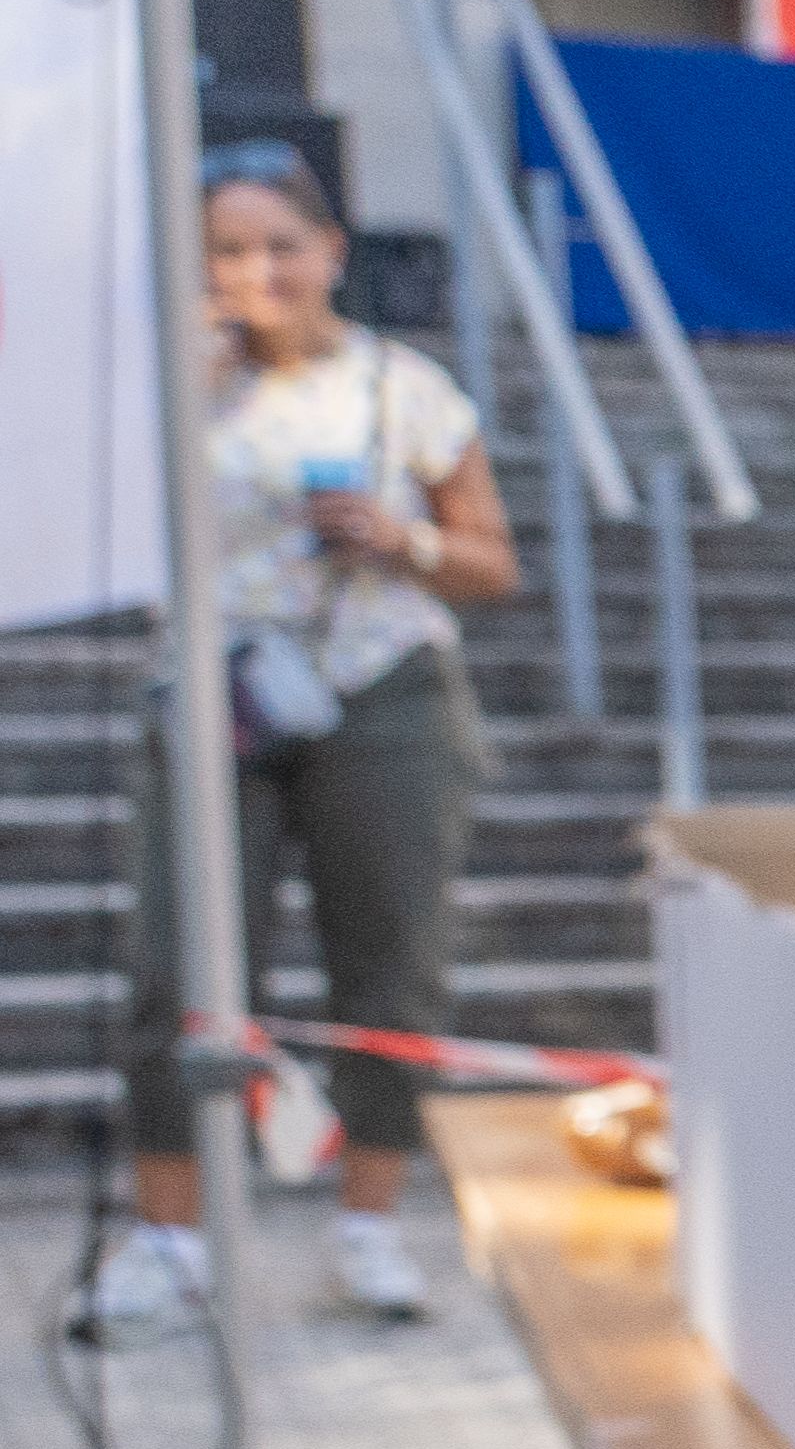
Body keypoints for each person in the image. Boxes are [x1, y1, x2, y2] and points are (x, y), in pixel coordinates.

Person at [89, 149, 520, 1340]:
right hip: (213, 693)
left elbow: (493, 561)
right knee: (178, 966)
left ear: (331, 249)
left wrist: (404, 541)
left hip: (380, 687)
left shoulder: (405, 389)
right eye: (227, 250)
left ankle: (368, 1225)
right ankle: (171, 1240)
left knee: (388, 963)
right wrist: (180, 382)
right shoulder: (171, 388)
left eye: (280, 244)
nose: (257, 271)